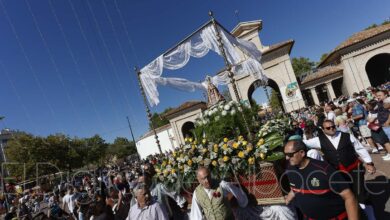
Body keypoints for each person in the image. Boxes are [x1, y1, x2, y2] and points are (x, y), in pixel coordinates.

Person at [303, 120, 376, 220]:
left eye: (333, 126)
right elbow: (303, 143)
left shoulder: (347, 136)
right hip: (338, 173)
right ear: (323, 129)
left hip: (354, 169)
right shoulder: (318, 140)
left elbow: (359, 148)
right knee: (347, 196)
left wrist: (369, 162)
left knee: (360, 194)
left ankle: (371, 217)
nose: (332, 129)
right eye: (328, 128)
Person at [284, 140, 359, 219]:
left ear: (302, 153)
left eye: (290, 155)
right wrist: (288, 200)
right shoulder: (290, 170)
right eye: (285, 154)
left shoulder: (324, 169)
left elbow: (349, 197)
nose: (287, 158)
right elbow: (295, 188)